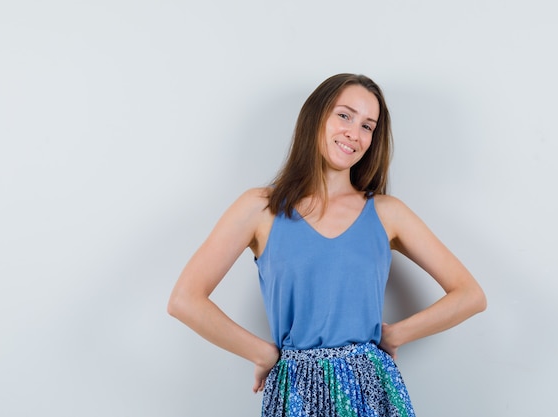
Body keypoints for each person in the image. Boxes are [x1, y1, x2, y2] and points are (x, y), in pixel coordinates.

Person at [167, 73, 487, 417]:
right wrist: (261, 353)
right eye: (345, 115)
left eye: (368, 125)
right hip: (295, 392)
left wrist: (395, 334)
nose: (354, 133)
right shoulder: (260, 208)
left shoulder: (387, 213)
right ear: (317, 116)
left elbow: (470, 294)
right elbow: (185, 300)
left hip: (372, 389)